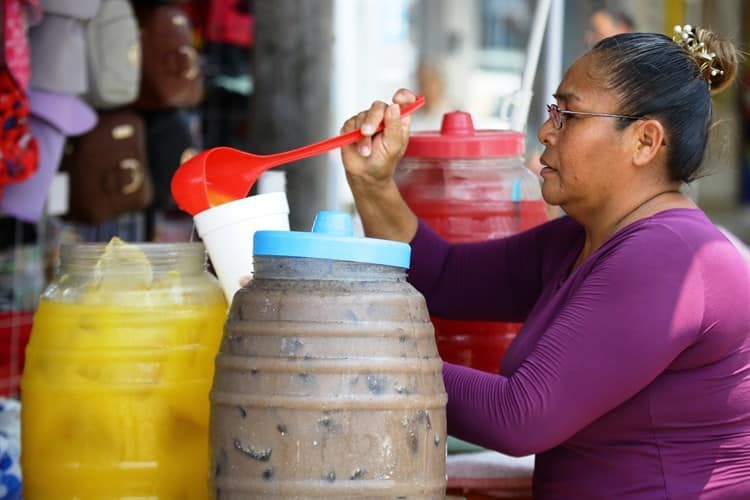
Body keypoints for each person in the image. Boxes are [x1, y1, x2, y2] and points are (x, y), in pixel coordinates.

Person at [340, 26, 750, 498]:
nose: (545, 131)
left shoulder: (669, 257)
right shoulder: (586, 237)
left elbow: (520, 417)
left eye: (569, 115)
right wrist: (374, 183)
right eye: (554, 111)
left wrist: (352, 352)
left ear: (644, 141)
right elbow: (445, 276)